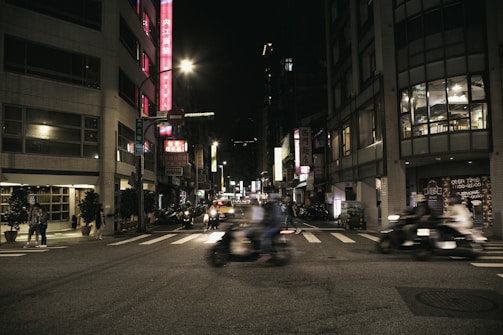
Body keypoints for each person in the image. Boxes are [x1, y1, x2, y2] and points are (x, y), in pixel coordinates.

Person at [257, 194, 283, 263]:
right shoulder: (274, 206)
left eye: (270, 198)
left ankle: (266, 254)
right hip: (274, 225)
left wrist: (266, 222)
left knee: (264, 236)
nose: (269, 199)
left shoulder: (274, 207)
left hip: (275, 227)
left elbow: (274, 218)